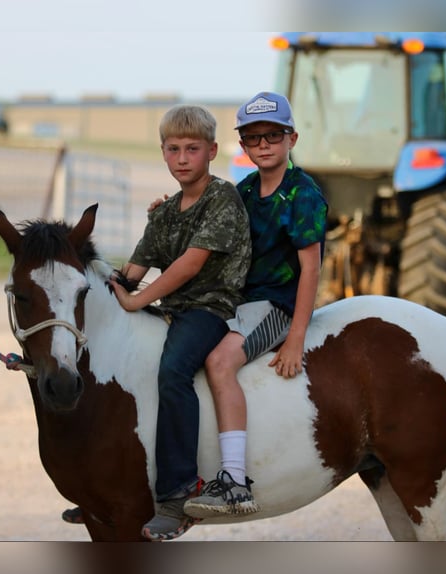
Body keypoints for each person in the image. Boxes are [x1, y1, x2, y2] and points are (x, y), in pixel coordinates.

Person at [108, 104, 252, 541]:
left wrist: (135, 302)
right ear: (163, 153)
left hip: (212, 308)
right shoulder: (165, 212)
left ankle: (178, 491)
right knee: (119, 366)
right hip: (172, 308)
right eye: (174, 149)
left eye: (193, 148)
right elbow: (131, 270)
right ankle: (113, 480)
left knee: (173, 372)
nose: (183, 158)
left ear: (211, 151)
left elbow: (189, 266)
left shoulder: (222, 198)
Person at [182, 91, 328, 519]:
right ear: (242, 145)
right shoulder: (243, 191)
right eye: (253, 138)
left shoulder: (303, 196)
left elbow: (311, 271)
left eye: (273, 136)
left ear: (291, 139)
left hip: (276, 303)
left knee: (220, 362)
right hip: (238, 299)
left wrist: (295, 338)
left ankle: (234, 482)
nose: (263, 145)